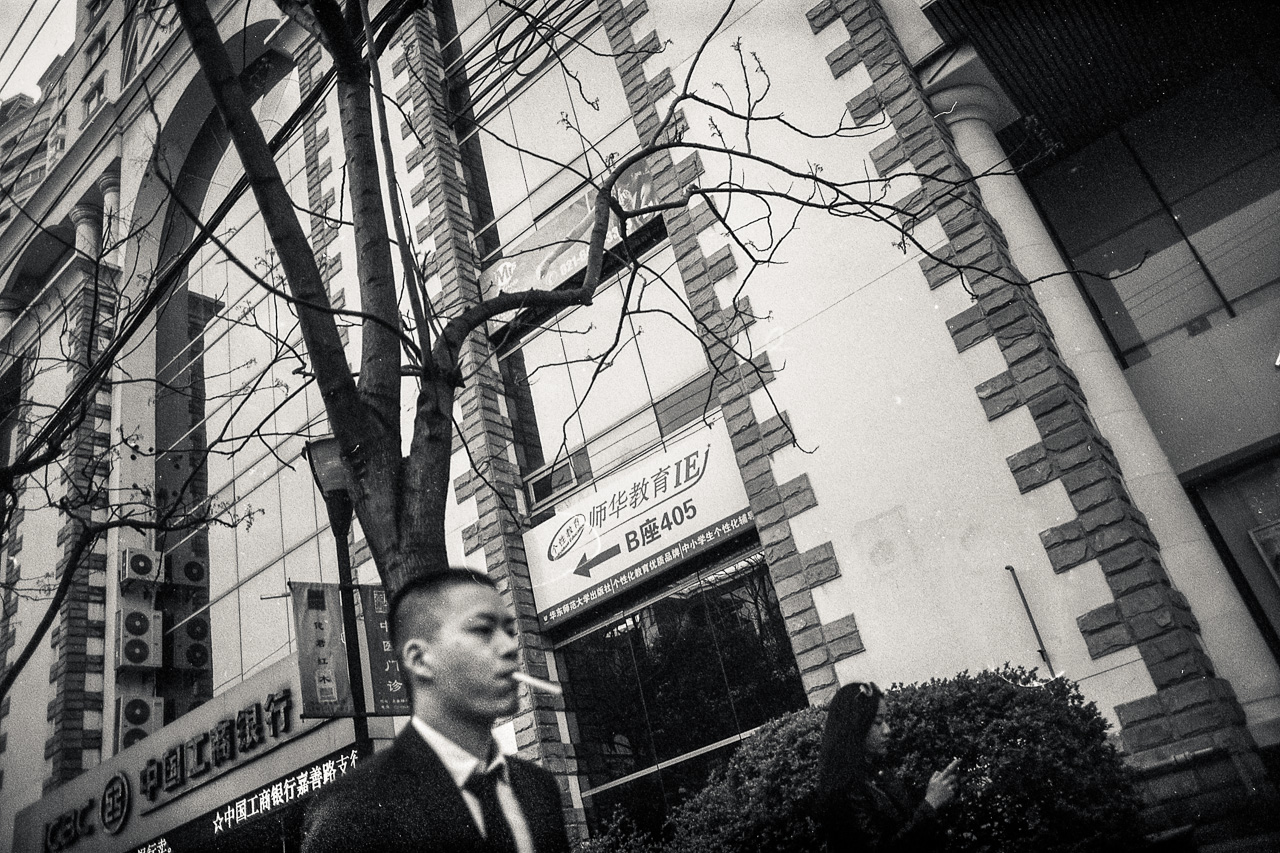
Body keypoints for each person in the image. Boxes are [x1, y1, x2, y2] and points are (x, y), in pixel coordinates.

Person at [302, 568, 571, 853]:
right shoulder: (353, 810)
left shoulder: (537, 789)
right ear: (419, 659)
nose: (509, 647)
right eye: (482, 629)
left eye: (509, 631)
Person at [815, 681, 959, 852]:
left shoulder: (876, 770)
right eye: (878, 722)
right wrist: (930, 804)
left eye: (885, 720)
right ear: (855, 726)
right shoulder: (844, 789)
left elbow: (904, 826)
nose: (887, 730)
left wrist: (937, 794)